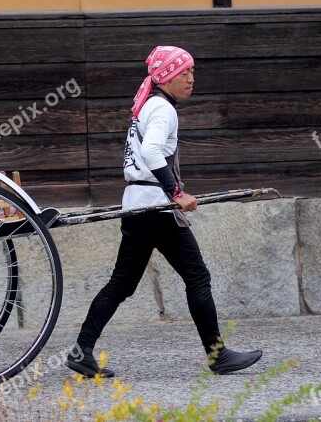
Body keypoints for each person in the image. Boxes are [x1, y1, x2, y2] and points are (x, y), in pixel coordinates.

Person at [66, 45, 263, 377]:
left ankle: (81, 349)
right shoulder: (162, 109)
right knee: (197, 277)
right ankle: (217, 355)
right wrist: (177, 192)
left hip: (137, 206)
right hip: (156, 207)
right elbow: (152, 151)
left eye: (192, 71)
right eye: (184, 72)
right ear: (167, 76)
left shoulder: (150, 105)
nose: (191, 78)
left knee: (121, 284)